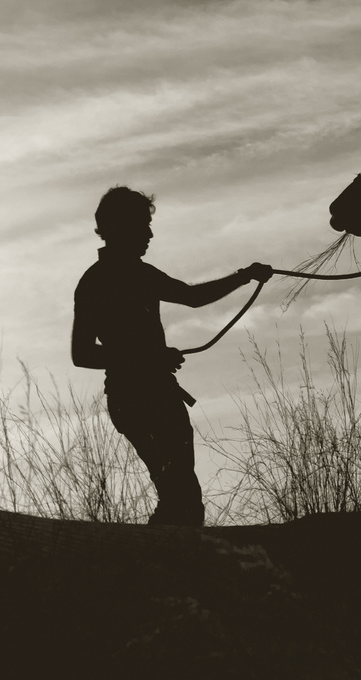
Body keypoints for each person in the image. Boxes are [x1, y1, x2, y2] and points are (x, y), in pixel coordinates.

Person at [71, 186, 271, 527]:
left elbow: (191, 297)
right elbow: (82, 353)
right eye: (141, 225)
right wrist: (148, 358)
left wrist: (244, 277)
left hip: (157, 396)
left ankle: (163, 562)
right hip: (135, 399)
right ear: (121, 229)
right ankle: (164, 567)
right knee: (182, 496)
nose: (149, 233)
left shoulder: (141, 274)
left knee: (181, 496)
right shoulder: (97, 281)